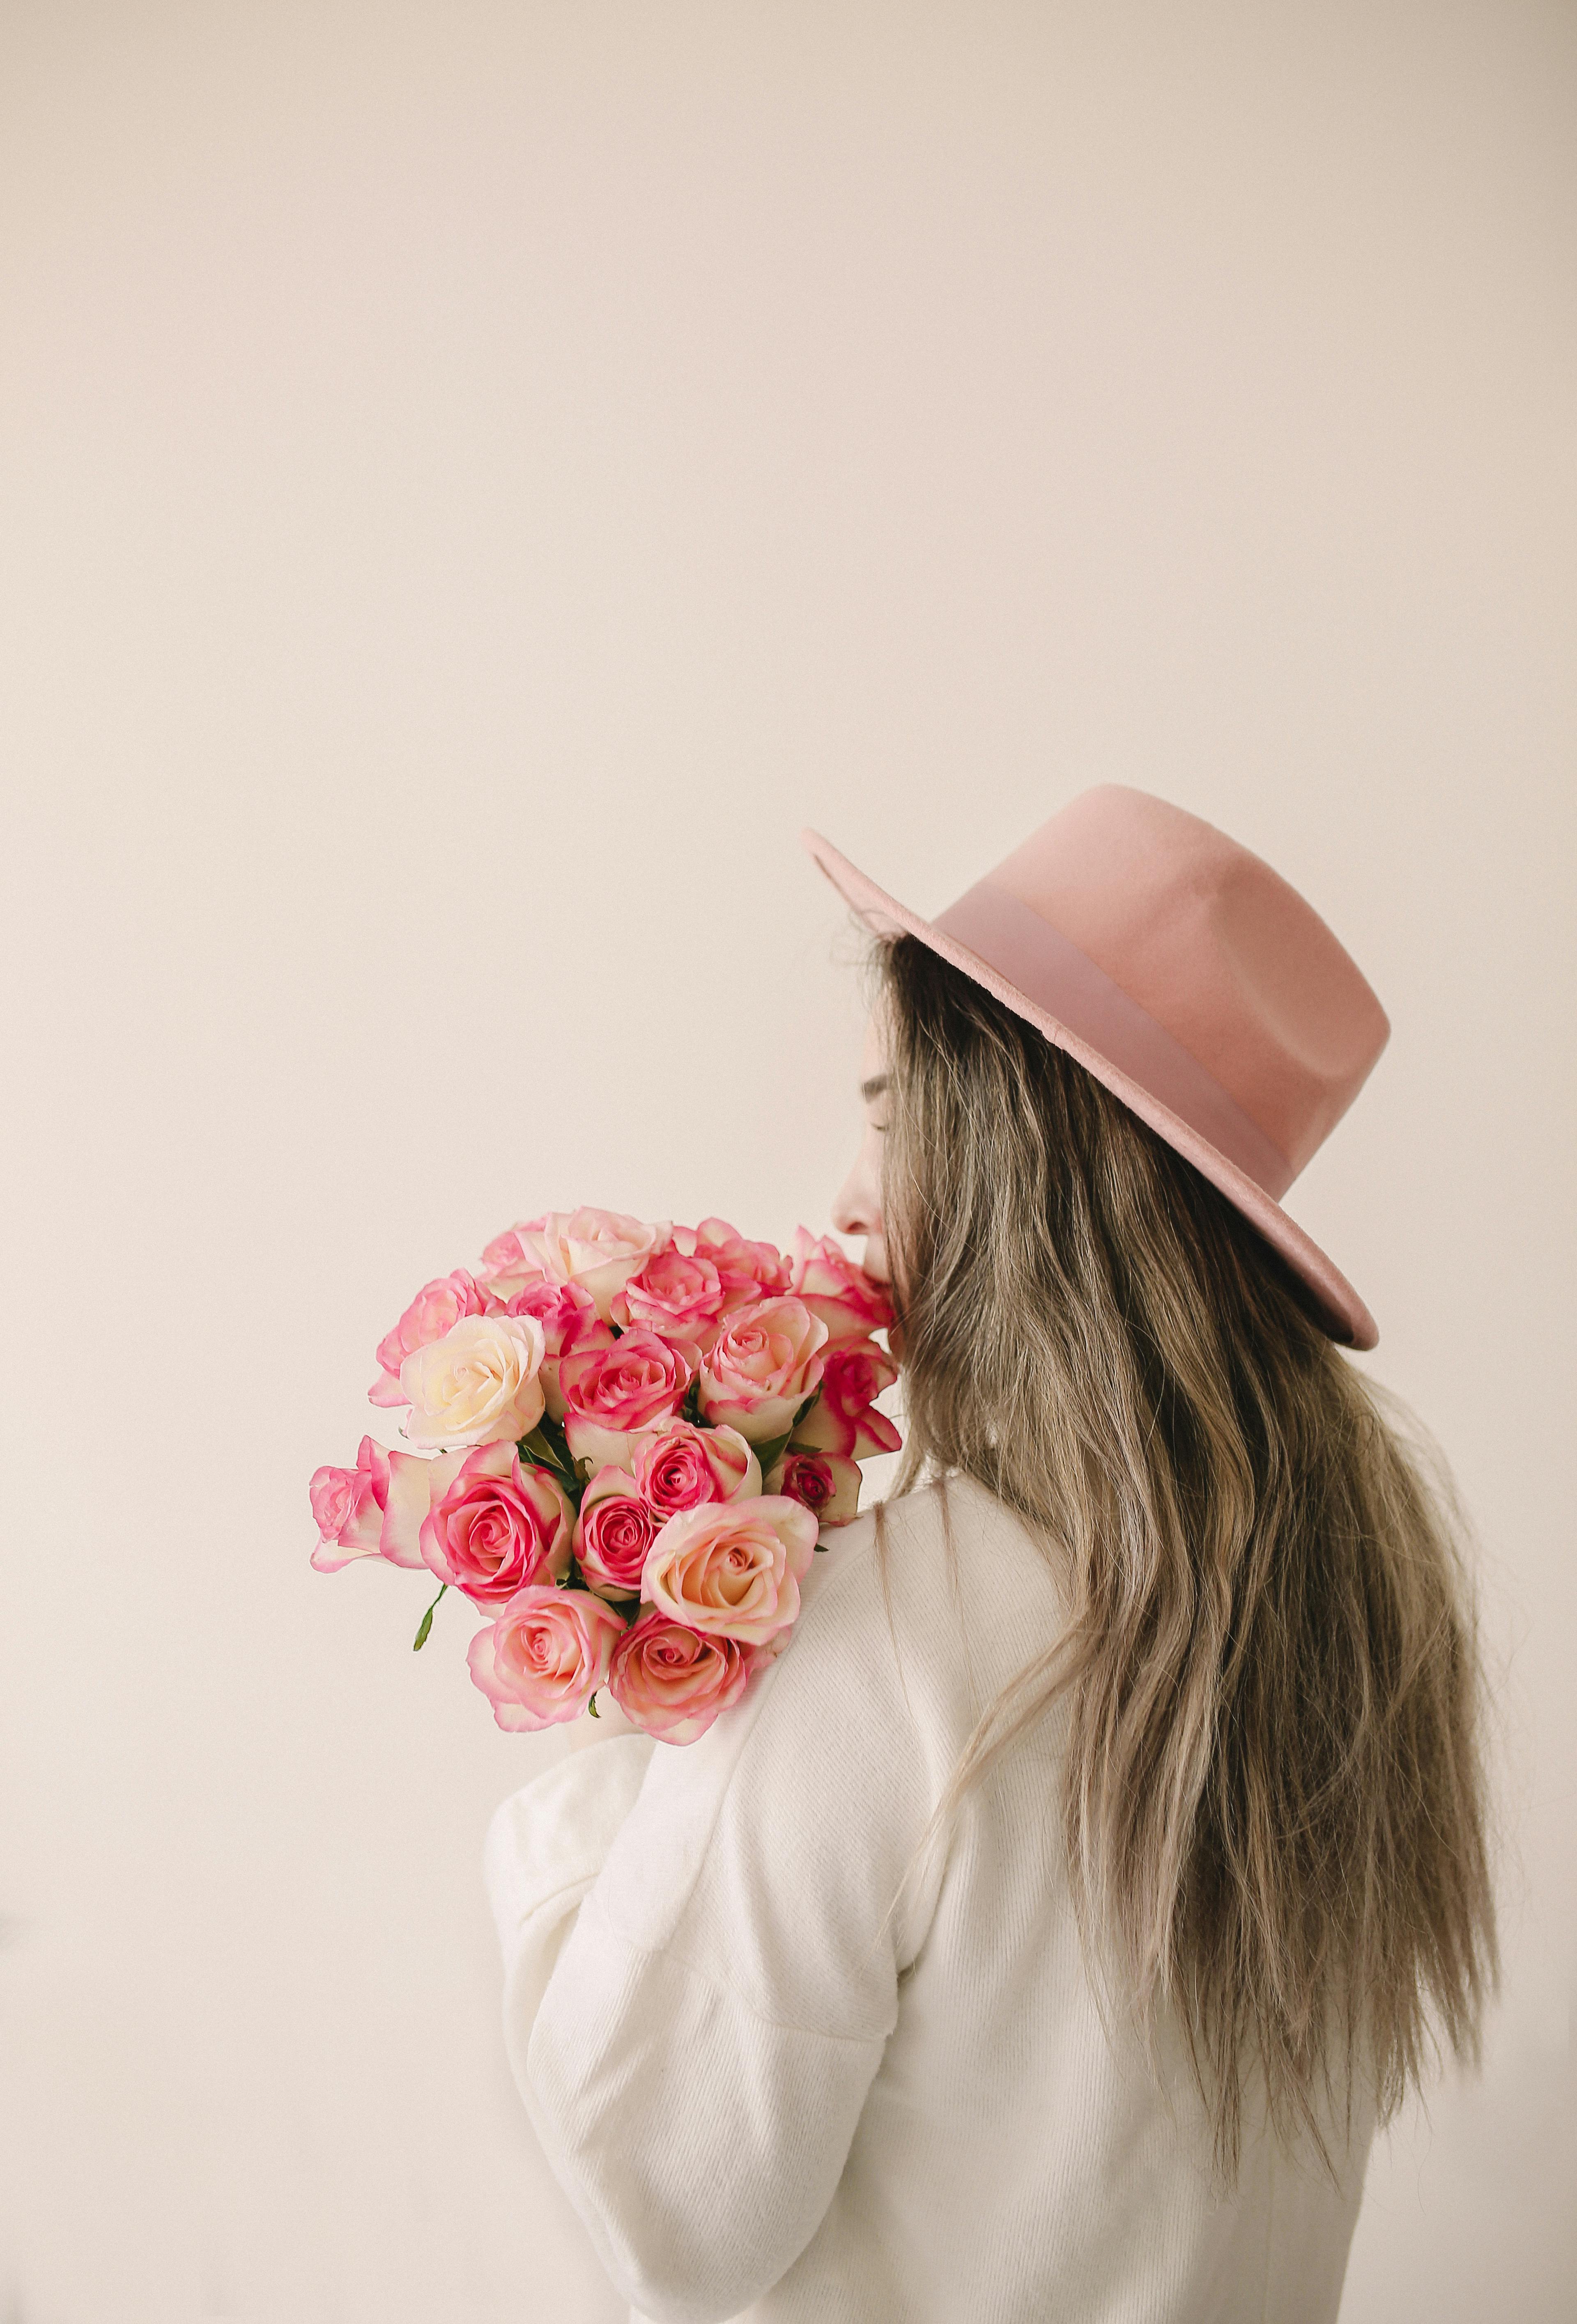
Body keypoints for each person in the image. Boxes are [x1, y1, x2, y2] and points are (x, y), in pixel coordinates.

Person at [483, 785, 1496, 2324]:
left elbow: (675, 2203)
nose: (844, 1194)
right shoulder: (1364, 1585)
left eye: (890, 1116)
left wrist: (608, 1797)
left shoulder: (892, 1622)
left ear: (1024, 1149)